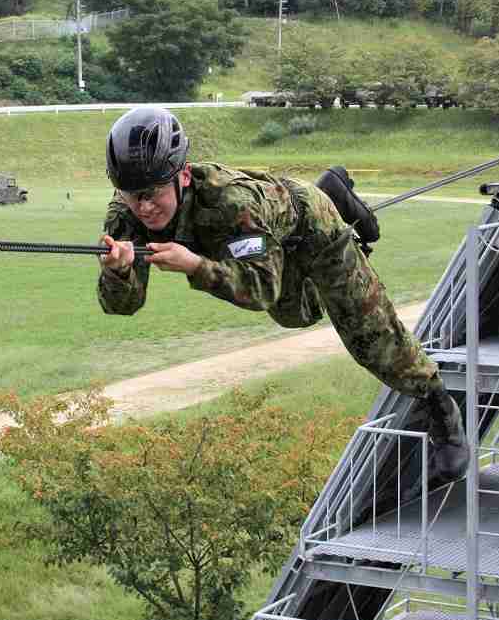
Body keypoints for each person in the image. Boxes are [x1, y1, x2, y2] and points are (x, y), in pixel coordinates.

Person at [97, 107, 468, 484]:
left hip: (312, 229)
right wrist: (118, 272)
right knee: (297, 315)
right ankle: (330, 192)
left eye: (153, 193)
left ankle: (440, 406)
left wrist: (195, 265)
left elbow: (261, 289)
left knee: (368, 335)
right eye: (132, 196)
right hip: (269, 242)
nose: (144, 207)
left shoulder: (232, 202)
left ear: (185, 175)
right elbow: (123, 306)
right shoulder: (124, 216)